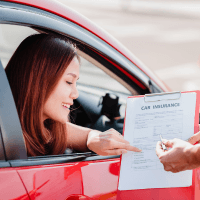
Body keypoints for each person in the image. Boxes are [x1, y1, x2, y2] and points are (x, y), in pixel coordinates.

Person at [5, 33, 141, 157]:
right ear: (38, 81)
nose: (75, 94)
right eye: (69, 82)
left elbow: (79, 134)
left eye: (76, 83)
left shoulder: (41, 127)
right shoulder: (7, 141)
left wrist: (92, 137)